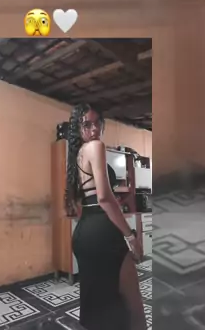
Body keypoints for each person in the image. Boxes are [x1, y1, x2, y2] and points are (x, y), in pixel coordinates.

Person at [65, 104, 146, 330]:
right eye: (87, 124)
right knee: (133, 305)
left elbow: (80, 202)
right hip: (103, 232)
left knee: (98, 306)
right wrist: (131, 237)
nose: (94, 129)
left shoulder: (77, 155)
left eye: (97, 123)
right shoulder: (96, 146)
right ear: (78, 128)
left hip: (83, 234)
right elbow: (104, 197)